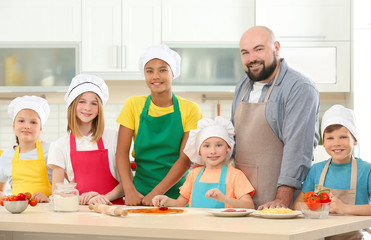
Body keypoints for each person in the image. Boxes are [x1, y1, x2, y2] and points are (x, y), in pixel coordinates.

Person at [231, 26, 320, 209]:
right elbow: (233, 137)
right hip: (241, 201)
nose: (252, 58)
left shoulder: (299, 87)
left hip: (277, 202)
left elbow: (299, 148)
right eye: (245, 52)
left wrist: (282, 200)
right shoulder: (243, 84)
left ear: (276, 48)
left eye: (259, 49)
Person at [116, 45, 203, 206]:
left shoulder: (190, 109)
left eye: (162, 70)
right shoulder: (133, 105)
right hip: (139, 193)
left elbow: (185, 159)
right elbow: (121, 153)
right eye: (149, 71)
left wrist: (157, 193)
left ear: (173, 73)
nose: (155, 76)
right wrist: (129, 191)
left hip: (177, 196)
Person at [293, 105, 371, 240]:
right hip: (318, 236)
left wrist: (344, 208)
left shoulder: (366, 170)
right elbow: (297, 206)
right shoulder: (316, 170)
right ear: (323, 142)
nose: (336, 143)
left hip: (353, 237)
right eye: (330, 138)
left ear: (355, 140)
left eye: (343, 137)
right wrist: (317, 205)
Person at [48, 74, 124, 205]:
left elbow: (127, 184)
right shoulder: (60, 145)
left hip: (113, 209)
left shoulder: (114, 137)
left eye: (94, 103)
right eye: (82, 101)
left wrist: (102, 198)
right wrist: (83, 198)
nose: (87, 108)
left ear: (99, 109)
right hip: (80, 212)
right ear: (72, 105)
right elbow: (57, 193)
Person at [152, 117, 255, 209]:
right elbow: (179, 203)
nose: (213, 151)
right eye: (206, 146)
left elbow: (249, 206)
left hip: (224, 227)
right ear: (199, 151)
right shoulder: (193, 174)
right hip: (196, 227)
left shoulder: (235, 175)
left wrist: (223, 198)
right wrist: (166, 200)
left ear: (228, 147)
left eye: (219, 145)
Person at [0, 95, 52, 203]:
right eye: (21, 121)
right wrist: (4, 197)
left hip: (46, 214)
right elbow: (1, 190)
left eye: (33, 122)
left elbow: (64, 188)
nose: (27, 126)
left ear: (40, 128)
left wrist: (50, 199)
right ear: (13, 126)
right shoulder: (6, 156)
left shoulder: (51, 150)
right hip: (17, 215)